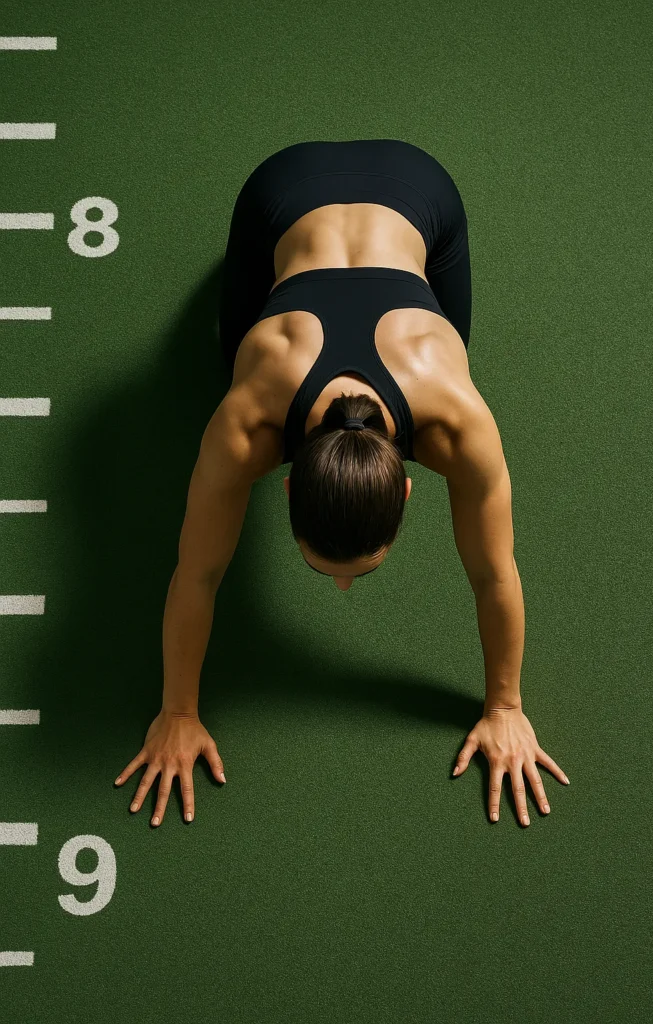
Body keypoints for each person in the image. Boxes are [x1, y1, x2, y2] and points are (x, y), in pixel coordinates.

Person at [114, 140, 569, 830]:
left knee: (448, 343)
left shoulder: (457, 418)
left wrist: (506, 708)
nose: (343, 590)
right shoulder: (246, 421)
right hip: (284, 198)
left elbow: (494, 574)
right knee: (227, 361)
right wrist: (176, 713)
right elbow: (196, 574)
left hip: (407, 192)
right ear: (289, 487)